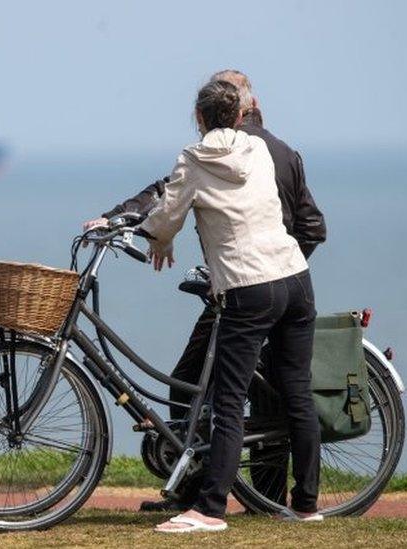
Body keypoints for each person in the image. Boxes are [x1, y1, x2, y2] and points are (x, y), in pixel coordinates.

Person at [83, 69, 326, 513]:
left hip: (245, 288)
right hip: (293, 281)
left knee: (224, 402)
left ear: (198, 115)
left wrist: (155, 236)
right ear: (243, 111)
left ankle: (209, 507)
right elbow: (305, 225)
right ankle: (305, 505)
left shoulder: (195, 157)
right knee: (292, 393)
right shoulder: (266, 150)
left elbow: (167, 205)